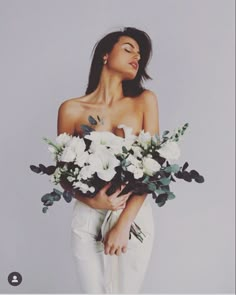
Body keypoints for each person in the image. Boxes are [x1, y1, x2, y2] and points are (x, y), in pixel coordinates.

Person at [57, 27, 160, 293]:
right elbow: (63, 173)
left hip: (133, 216)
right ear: (105, 55)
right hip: (87, 214)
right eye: (128, 49)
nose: (136, 56)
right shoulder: (71, 109)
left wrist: (123, 223)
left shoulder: (144, 101)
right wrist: (92, 200)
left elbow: (153, 169)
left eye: (140, 54)